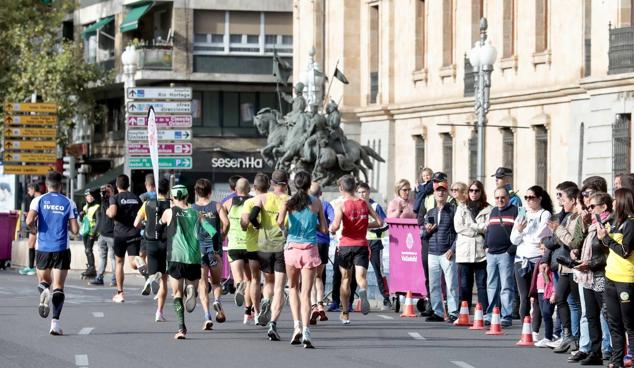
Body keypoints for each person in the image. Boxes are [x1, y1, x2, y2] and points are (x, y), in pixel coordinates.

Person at [278, 171, 327, 348]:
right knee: (306, 293)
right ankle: (307, 330)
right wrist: (312, 223)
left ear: (295, 184)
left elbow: (279, 222)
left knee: (292, 288)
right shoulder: (316, 203)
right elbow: (324, 228)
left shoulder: (288, 203)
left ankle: (296, 326)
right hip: (310, 249)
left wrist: (290, 227)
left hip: (292, 248)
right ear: (308, 185)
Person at [26, 171, 79, 335]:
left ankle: (44, 290)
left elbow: (28, 221)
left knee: (44, 281)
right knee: (59, 287)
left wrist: (36, 230)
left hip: (43, 248)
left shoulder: (38, 200)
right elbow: (76, 230)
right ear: (61, 186)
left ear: (46, 185)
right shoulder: (69, 202)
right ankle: (55, 324)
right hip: (62, 248)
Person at [330, 175, 383, 324]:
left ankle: (345, 313)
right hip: (361, 245)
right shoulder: (365, 204)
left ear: (341, 188)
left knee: (345, 279)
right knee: (361, 278)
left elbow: (335, 225)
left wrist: (332, 229)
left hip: (346, 245)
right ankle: (363, 291)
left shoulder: (341, 205)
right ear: (355, 188)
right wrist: (365, 225)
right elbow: (380, 222)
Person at [540, 185, 583, 352]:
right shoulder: (567, 217)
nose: (560, 201)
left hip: (573, 266)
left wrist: (557, 230)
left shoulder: (577, 217)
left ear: (573, 201)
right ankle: (567, 335)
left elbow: (571, 241)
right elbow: (555, 239)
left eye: (563, 198)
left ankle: (577, 338)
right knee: (560, 299)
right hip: (563, 265)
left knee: (575, 303)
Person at [160, 184, 206, 339]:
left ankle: (181, 328)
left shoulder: (169, 212)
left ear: (172, 197)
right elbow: (210, 233)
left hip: (175, 256)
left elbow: (158, 231)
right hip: (193, 256)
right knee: (191, 285)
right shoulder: (197, 213)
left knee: (176, 293)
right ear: (187, 197)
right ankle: (191, 290)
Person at [244, 171, 288, 330]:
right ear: (286, 183)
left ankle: (266, 300)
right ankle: (273, 320)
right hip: (281, 246)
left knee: (268, 281)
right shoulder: (289, 200)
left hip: (264, 246)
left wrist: (257, 225)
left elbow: (252, 216)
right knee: (279, 286)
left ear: (272, 183)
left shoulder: (262, 198)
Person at [573, 192, 612, 365]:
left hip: (601, 275)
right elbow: (583, 246)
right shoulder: (591, 226)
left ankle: (610, 350)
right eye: (587, 207)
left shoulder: (608, 224)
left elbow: (610, 253)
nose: (589, 210)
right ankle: (595, 352)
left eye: (592, 206)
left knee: (607, 315)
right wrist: (578, 257)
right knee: (591, 316)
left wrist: (591, 263)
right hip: (588, 276)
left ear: (604, 207)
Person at [597, 188, 634, 368]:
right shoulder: (615, 222)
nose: (612, 204)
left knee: (629, 323)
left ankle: (632, 358)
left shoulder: (631, 224)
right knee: (614, 321)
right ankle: (616, 360)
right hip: (610, 276)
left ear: (622, 202)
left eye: (614, 201)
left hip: (626, 279)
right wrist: (603, 238)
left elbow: (625, 252)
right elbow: (609, 248)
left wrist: (608, 240)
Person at [510, 186, 553, 322]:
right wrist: (520, 231)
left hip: (536, 259)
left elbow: (540, 237)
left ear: (539, 198)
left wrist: (525, 236)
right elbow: (514, 239)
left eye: (531, 197)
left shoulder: (544, 214)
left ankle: (535, 329)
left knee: (536, 294)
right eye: (526, 198)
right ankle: (526, 327)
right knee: (524, 296)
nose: (528, 201)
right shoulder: (523, 213)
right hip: (520, 259)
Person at [192, 178, 229, 329]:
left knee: (202, 283)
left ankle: (207, 316)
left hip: (199, 250)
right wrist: (222, 236)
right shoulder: (217, 206)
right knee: (215, 282)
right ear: (210, 191)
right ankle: (217, 301)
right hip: (215, 249)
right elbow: (226, 223)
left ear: (196, 192)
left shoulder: (192, 209)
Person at [416, 172, 454, 316]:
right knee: (431, 277)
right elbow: (420, 218)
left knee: (450, 281)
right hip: (429, 241)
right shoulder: (427, 198)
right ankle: (433, 306)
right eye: (434, 182)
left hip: (446, 243)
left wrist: (452, 246)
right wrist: (426, 228)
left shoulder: (451, 200)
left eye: (439, 182)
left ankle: (452, 310)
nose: (436, 185)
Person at [134, 178, 171, 321]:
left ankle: (149, 277)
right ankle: (159, 312)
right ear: (168, 189)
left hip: (151, 243)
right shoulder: (171, 205)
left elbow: (136, 223)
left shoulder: (147, 203)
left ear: (156, 190)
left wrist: (147, 223)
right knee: (164, 279)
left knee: (152, 269)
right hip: (167, 243)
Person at [453, 180, 491, 313]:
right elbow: (458, 227)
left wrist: (472, 226)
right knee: (464, 285)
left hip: (481, 252)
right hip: (464, 252)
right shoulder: (462, 207)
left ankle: (484, 312)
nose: (473, 193)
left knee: (482, 285)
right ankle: (464, 312)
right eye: (471, 190)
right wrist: (477, 230)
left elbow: (487, 227)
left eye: (477, 191)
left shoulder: (488, 209)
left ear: (481, 192)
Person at [224, 178, 257, 324]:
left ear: (235, 189)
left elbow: (221, 222)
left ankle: (238, 287)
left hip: (234, 245)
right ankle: (249, 310)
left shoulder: (227, 203)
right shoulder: (254, 202)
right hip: (250, 245)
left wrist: (221, 235)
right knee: (251, 280)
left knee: (239, 279)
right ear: (249, 189)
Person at [484, 186, 518, 326]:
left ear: (508, 198)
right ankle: (491, 313)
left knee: (506, 286)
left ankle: (506, 315)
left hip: (505, 254)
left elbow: (520, 233)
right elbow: (488, 231)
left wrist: (510, 250)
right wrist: (486, 245)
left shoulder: (515, 211)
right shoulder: (492, 211)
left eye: (503, 197)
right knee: (491, 285)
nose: (500, 200)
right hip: (491, 254)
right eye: (497, 198)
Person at [106, 174, 143, 303]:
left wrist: (107, 210)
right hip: (134, 233)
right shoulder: (136, 198)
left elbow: (112, 213)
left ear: (117, 185)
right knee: (133, 263)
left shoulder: (115, 198)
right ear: (128, 185)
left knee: (119, 263)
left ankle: (120, 293)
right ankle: (142, 265)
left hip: (120, 235)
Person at [357, 182, 391, 307]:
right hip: (360, 243)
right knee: (359, 271)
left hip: (375, 243)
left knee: (379, 271)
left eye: (364, 192)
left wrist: (372, 229)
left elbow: (385, 224)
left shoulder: (375, 206)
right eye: (359, 192)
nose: (361, 194)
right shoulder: (356, 205)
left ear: (368, 192)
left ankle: (386, 297)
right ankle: (357, 297)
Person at [308, 182, 334, 322]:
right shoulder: (326, 205)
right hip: (324, 242)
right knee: (318, 276)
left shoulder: (306, 204)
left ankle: (313, 307)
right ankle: (320, 305)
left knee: (309, 278)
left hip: (310, 242)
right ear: (321, 193)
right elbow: (333, 219)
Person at [91, 184, 116, 286]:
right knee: (105, 257)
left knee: (112, 258)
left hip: (111, 234)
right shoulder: (104, 200)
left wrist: (110, 192)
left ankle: (113, 279)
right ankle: (100, 277)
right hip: (104, 234)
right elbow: (92, 191)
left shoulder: (114, 200)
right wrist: (104, 188)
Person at [19, 183, 41, 276]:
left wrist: (30, 215)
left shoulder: (40, 198)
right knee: (31, 244)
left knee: (38, 245)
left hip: (39, 225)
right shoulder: (33, 199)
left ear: (33, 189)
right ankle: (31, 266)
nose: (28, 192)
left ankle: (37, 267)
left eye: (29, 190)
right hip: (34, 225)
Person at [79, 188, 100, 279]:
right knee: (87, 250)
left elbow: (98, 222)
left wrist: (93, 233)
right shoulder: (85, 207)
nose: (90, 198)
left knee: (88, 249)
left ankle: (92, 268)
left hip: (92, 232)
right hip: (85, 231)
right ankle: (90, 266)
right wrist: (81, 216)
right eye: (88, 196)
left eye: (91, 196)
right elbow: (82, 220)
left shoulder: (97, 207)